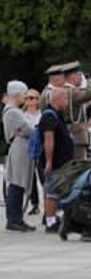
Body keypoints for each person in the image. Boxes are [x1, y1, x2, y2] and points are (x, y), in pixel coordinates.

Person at [37, 86, 75, 233]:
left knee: (55, 192)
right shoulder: (49, 116)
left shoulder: (57, 115)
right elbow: (48, 139)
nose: (67, 101)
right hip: (55, 162)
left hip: (62, 161)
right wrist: (48, 161)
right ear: (58, 99)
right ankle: (50, 221)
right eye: (65, 98)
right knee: (52, 193)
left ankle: (53, 219)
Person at [44, 62, 91, 161]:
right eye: (79, 75)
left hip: (66, 133)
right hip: (76, 135)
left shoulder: (61, 91)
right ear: (73, 76)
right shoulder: (72, 92)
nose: (81, 78)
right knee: (77, 168)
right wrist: (90, 79)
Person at [4, 81, 37, 232]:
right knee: (16, 184)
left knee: (18, 184)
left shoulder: (13, 111)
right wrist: (29, 130)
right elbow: (28, 130)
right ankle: (14, 219)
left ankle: (17, 218)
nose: (25, 97)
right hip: (19, 149)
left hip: (22, 147)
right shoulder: (13, 112)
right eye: (24, 94)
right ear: (17, 94)